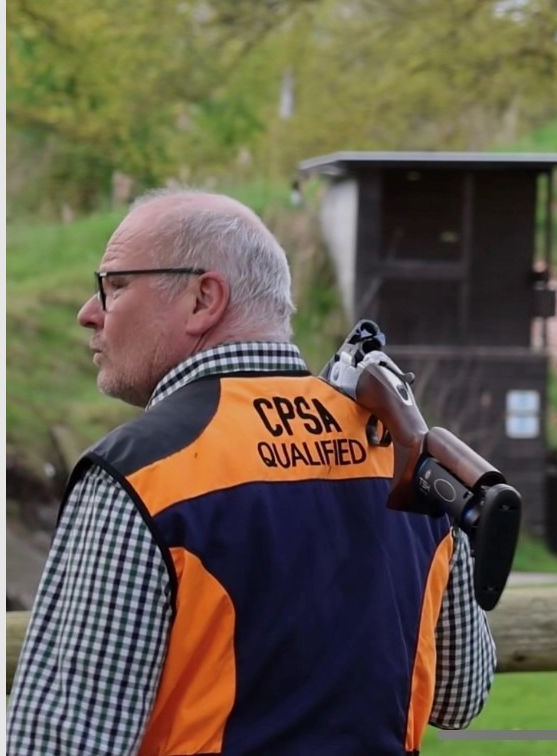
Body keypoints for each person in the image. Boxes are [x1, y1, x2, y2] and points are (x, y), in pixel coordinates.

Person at [7, 189, 496, 755]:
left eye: (115, 286)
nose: (89, 312)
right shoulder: (402, 450)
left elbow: (64, 741)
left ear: (203, 299)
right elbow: (460, 695)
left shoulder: (140, 473)